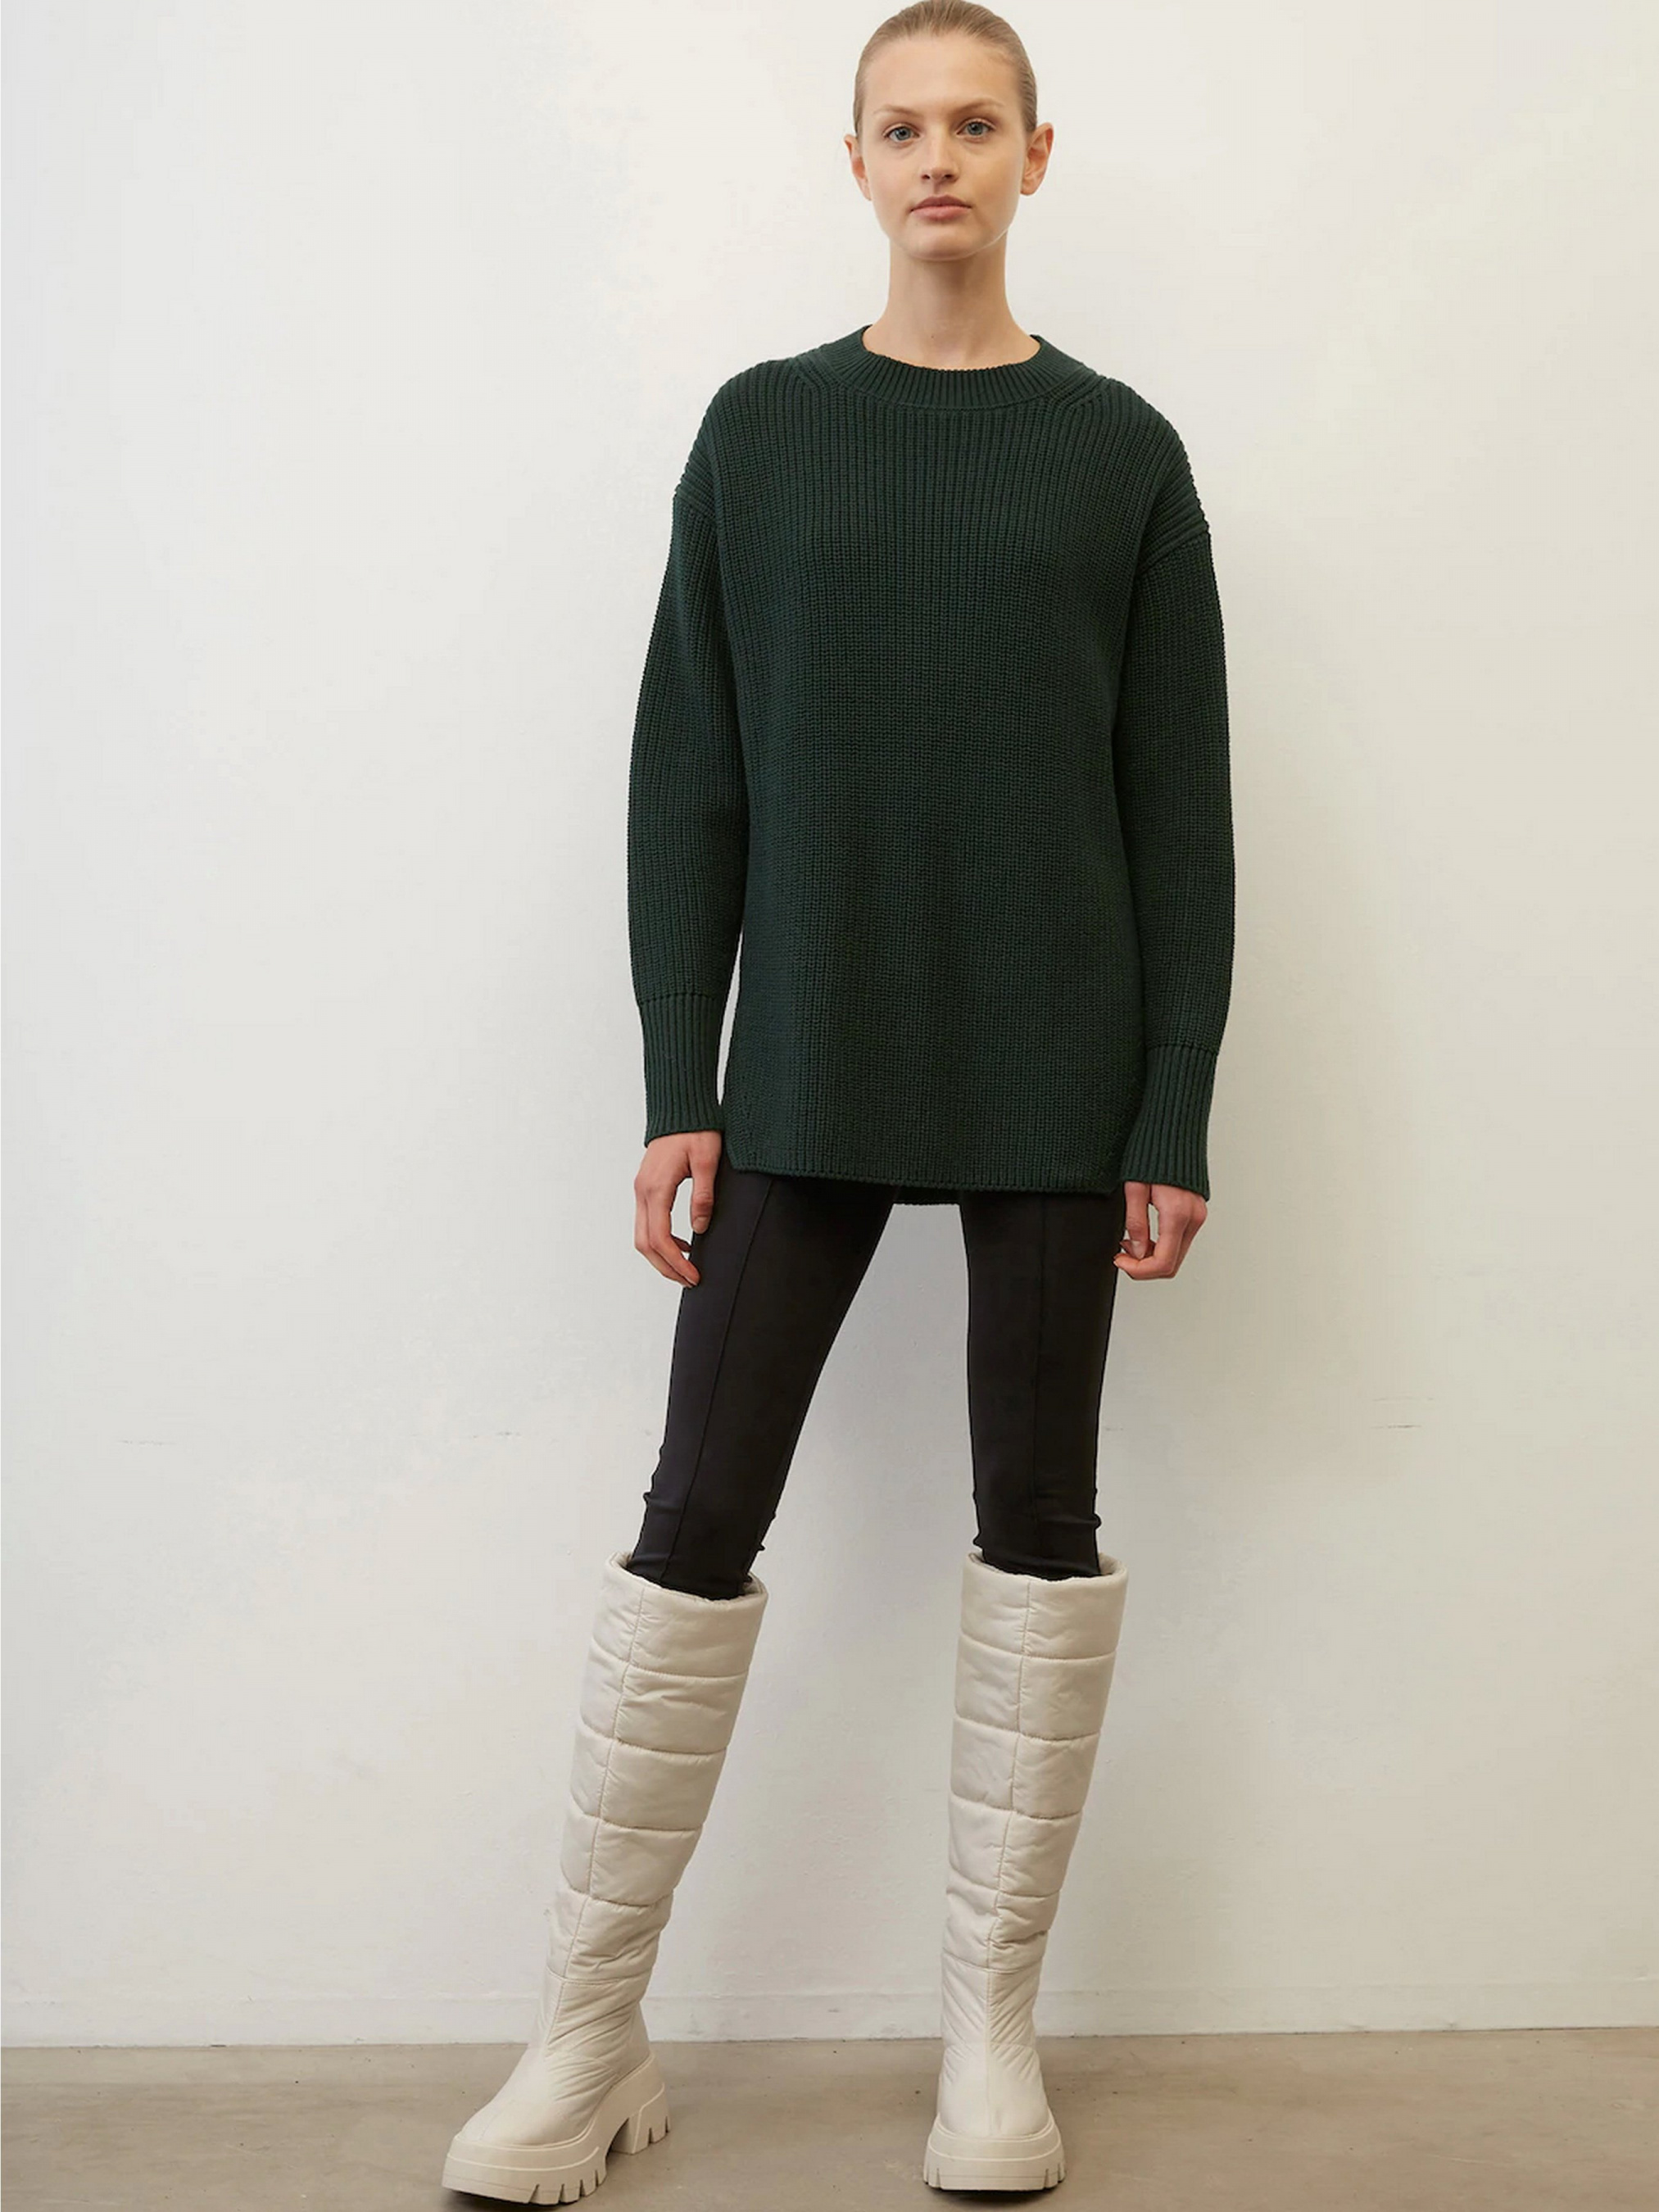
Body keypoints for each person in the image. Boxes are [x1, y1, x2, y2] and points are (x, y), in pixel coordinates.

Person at [442, 1, 1235, 2198]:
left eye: (976, 123)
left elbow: (1178, 815)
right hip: (799, 1058)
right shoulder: (763, 432)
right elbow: (684, 778)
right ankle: (585, 2035)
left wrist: (1168, 1110)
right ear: (857, 160)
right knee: (694, 1519)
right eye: (903, 126)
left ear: (1036, 157)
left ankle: (988, 2039)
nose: (939, 158)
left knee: (1037, 1525)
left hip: (1057, 1071)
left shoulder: (1122, 456)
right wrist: (672, 1081)